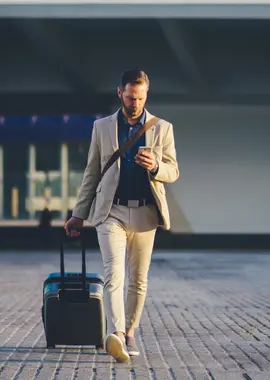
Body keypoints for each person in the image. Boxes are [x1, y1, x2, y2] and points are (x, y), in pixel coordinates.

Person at [64, 69, 179, 363]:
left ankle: (130, 330)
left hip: (145, 214)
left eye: (140, 98)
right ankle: (115, 334)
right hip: (110, 211)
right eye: (130, 97)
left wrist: (155, 166)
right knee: (114, 273)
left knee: (138, 279)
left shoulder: (162, 128)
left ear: (146, 95)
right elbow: (92, 172)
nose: (135, 103)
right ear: (120, 93)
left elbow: (173, 171)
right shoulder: (101, 127)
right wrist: (79, 214)